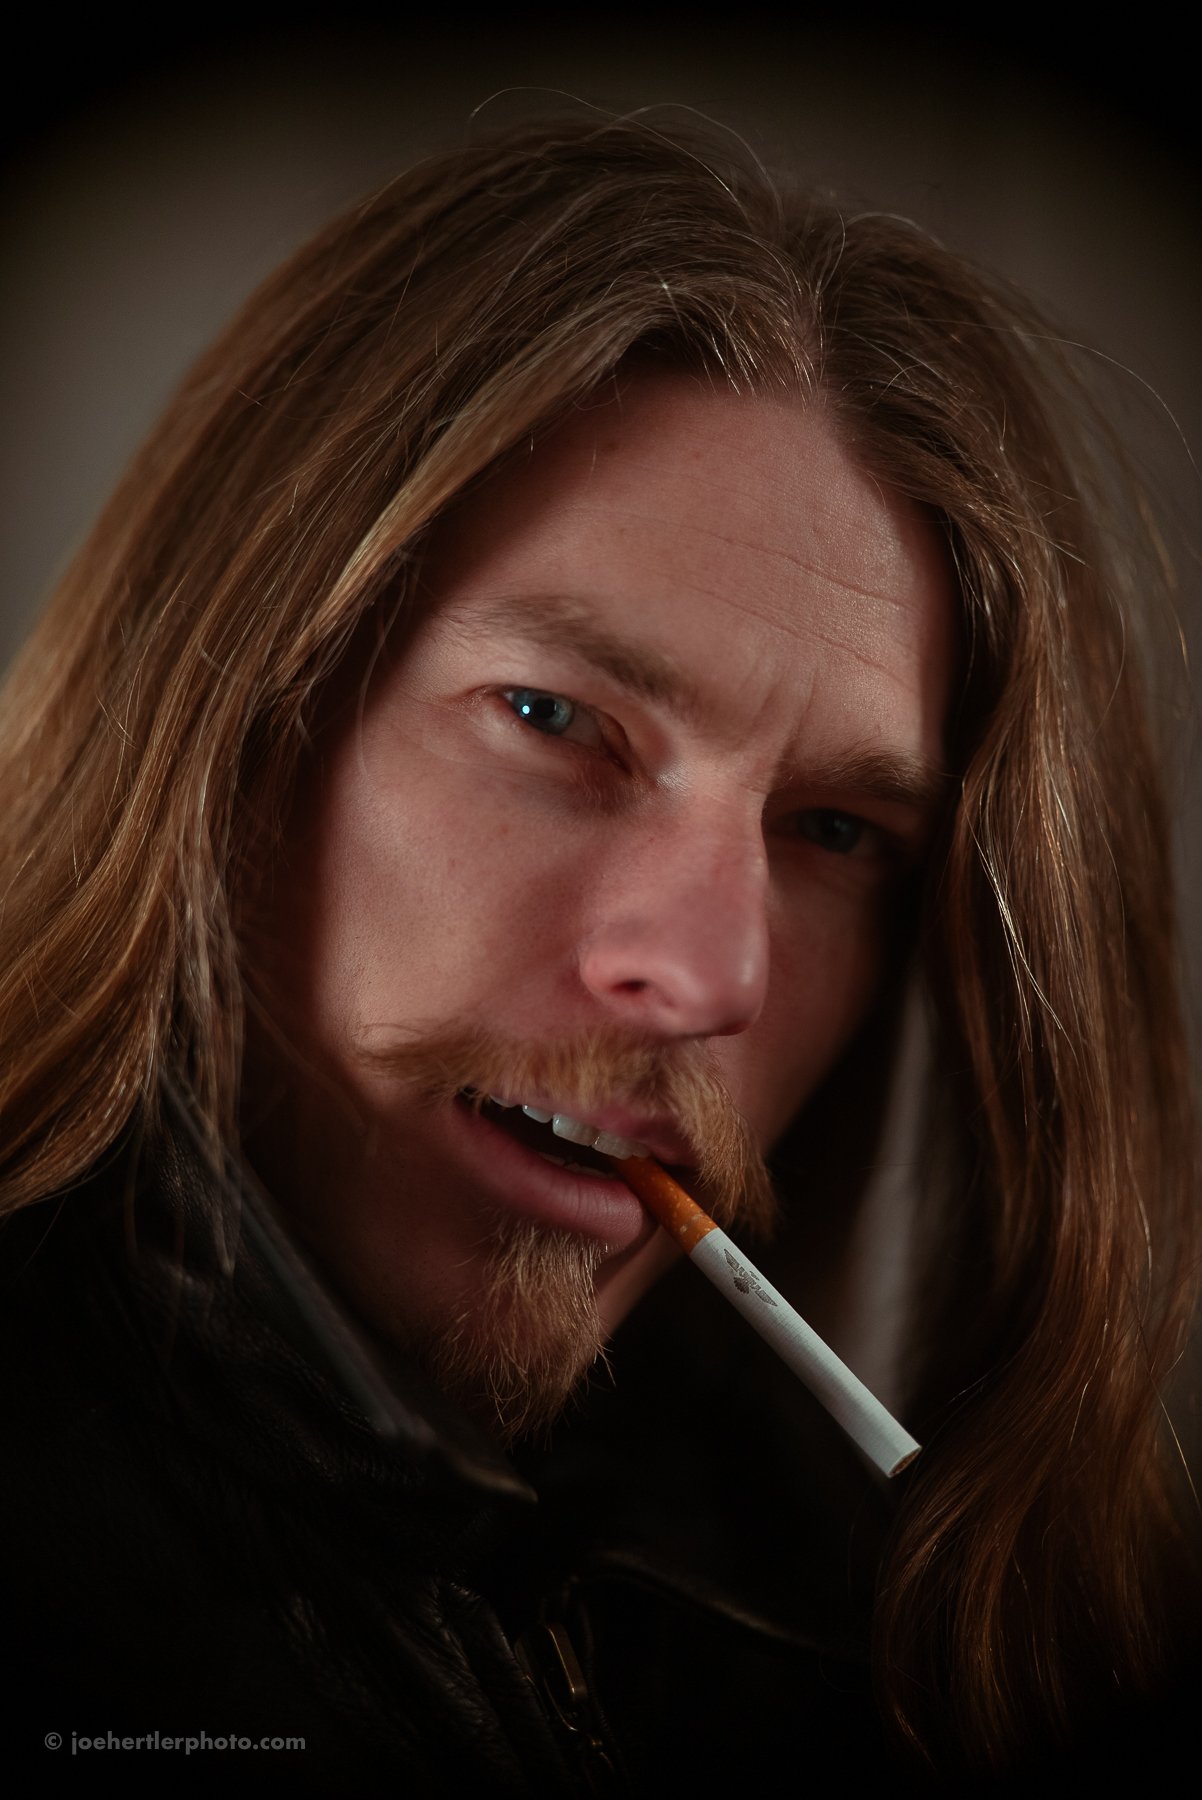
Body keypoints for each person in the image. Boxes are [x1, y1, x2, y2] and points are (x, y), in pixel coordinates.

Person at [0, 115, 1196, 1790]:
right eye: (556, 720)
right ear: (228, 716)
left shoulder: (874, 1652)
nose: (709, 978)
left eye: (835, 833)